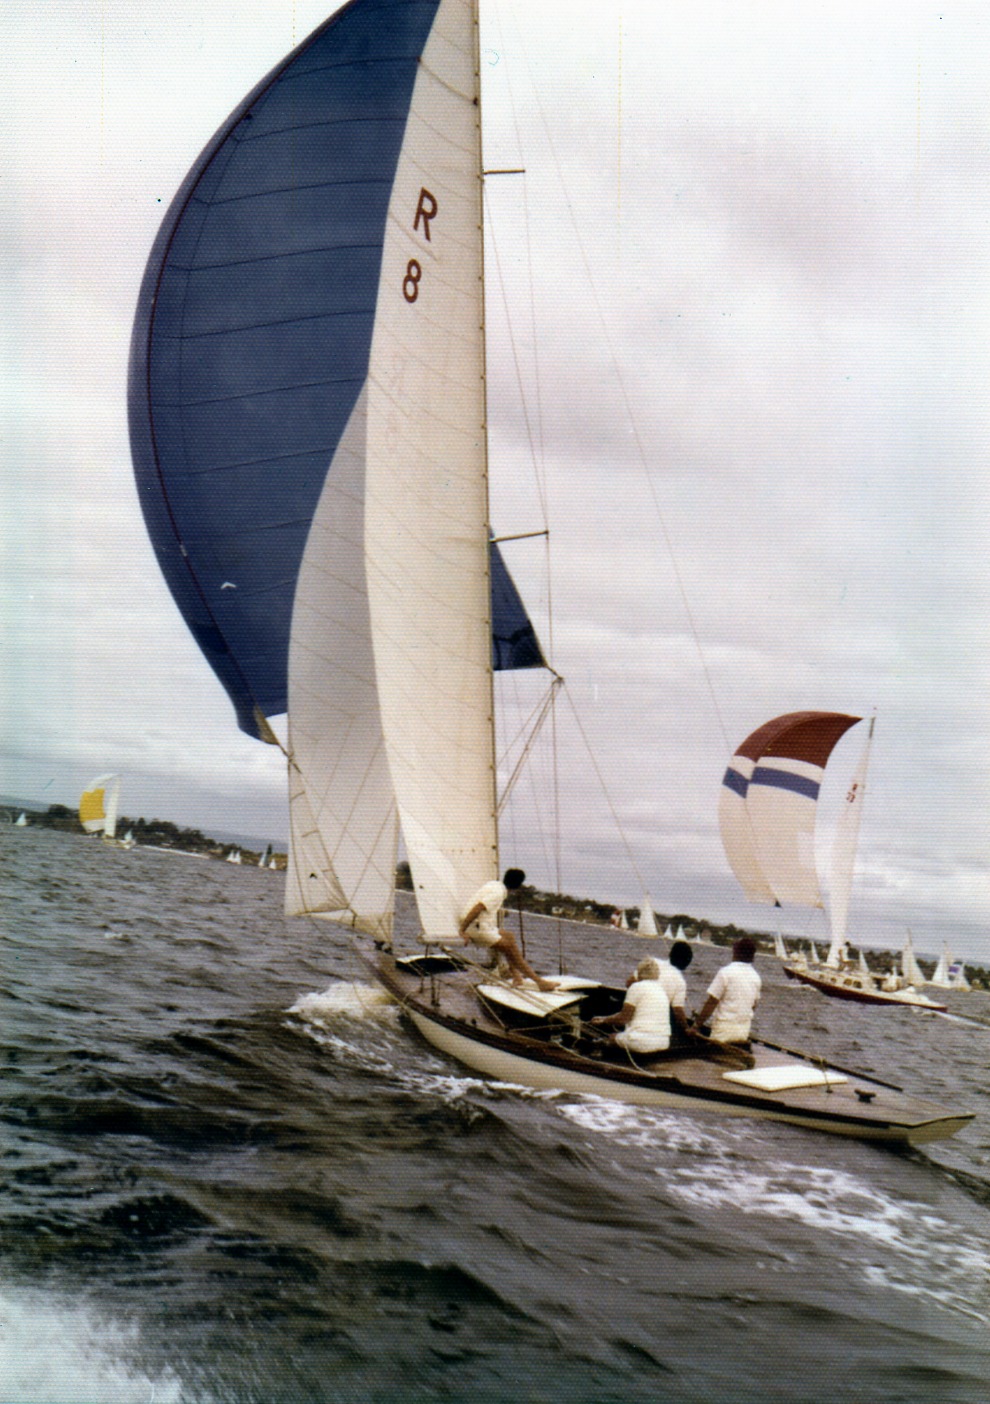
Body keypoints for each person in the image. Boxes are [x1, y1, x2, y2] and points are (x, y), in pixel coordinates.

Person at [458, 868, 557, 990]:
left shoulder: (494, 885)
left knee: (509, 936)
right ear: (518, 885)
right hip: (474, 927)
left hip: (479, 925)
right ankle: (539, 982)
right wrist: (462, 930)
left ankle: (517, 977)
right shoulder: (498, 893)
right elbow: (479, 907)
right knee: (511, 949)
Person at [590, 957, 671, 1055]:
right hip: (664, 1042)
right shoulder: (662, 990)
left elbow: (623, 1019)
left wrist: (604, 1021)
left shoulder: (636, 987)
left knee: (609, 1039)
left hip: (642, 1042)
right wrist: (605, 1018)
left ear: (638, 973)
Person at [692, 937, 761, 1044]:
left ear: (736, 952)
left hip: (723, 1032)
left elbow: (712, 1002)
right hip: (743, 1032)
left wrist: (696, 1025)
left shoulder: (725, 972)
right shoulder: (756, 977)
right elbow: (753, 1006)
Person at [656, 939, 694, 1034]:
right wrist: (687, 1029)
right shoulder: (680, 982)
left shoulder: (652, 962)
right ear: (686, 963)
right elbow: (678, 1011)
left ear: (670, 954)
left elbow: (629, 983)